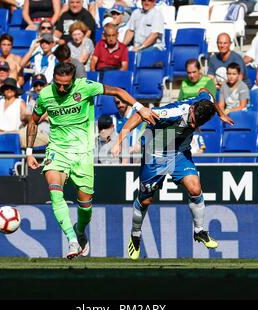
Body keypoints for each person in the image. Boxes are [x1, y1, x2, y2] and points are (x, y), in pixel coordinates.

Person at [25, 62, 158, 259]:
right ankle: (71, 239)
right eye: (58, 84)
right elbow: (33, 121)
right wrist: (29, 151)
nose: (61, 88)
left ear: (73, 81)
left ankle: (79, 232)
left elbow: (117, 91)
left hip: (83, 153)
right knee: (55, 192)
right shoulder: (45, 95)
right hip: (57, 150)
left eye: (66, 85)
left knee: (85, 208)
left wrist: (140, 108)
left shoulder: (85, 87)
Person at [111, 89, 233, 260]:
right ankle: (136, 234)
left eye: (196, 124)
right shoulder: (173, 112)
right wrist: (119, 141)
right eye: (191, 121)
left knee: (195, 189)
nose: (192, 126)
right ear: (191, 110)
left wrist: (221, 114)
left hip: (178, 152)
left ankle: (199, 231)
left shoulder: (204, 104)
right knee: (146, 200)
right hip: (156, 152)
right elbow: (139, 115)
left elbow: (207, 93)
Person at [0, 78, 27, 146]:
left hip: (10, 134)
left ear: (15, 90)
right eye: (6, 88)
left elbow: (25, 118)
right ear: (3, 90)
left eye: (11, 88)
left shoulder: (20, 102)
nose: (9, 90)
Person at [19, 74, 50, 148]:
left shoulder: (50, 100)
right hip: (29, 131)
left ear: (46, 85)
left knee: (15, 139)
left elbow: (38, 119)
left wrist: (30, 117)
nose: (38, 88)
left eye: (41, 85)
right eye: (36, 85)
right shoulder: (33, 101)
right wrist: (33, 117)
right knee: (10, 136)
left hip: (43, 133)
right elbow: (23, 117)